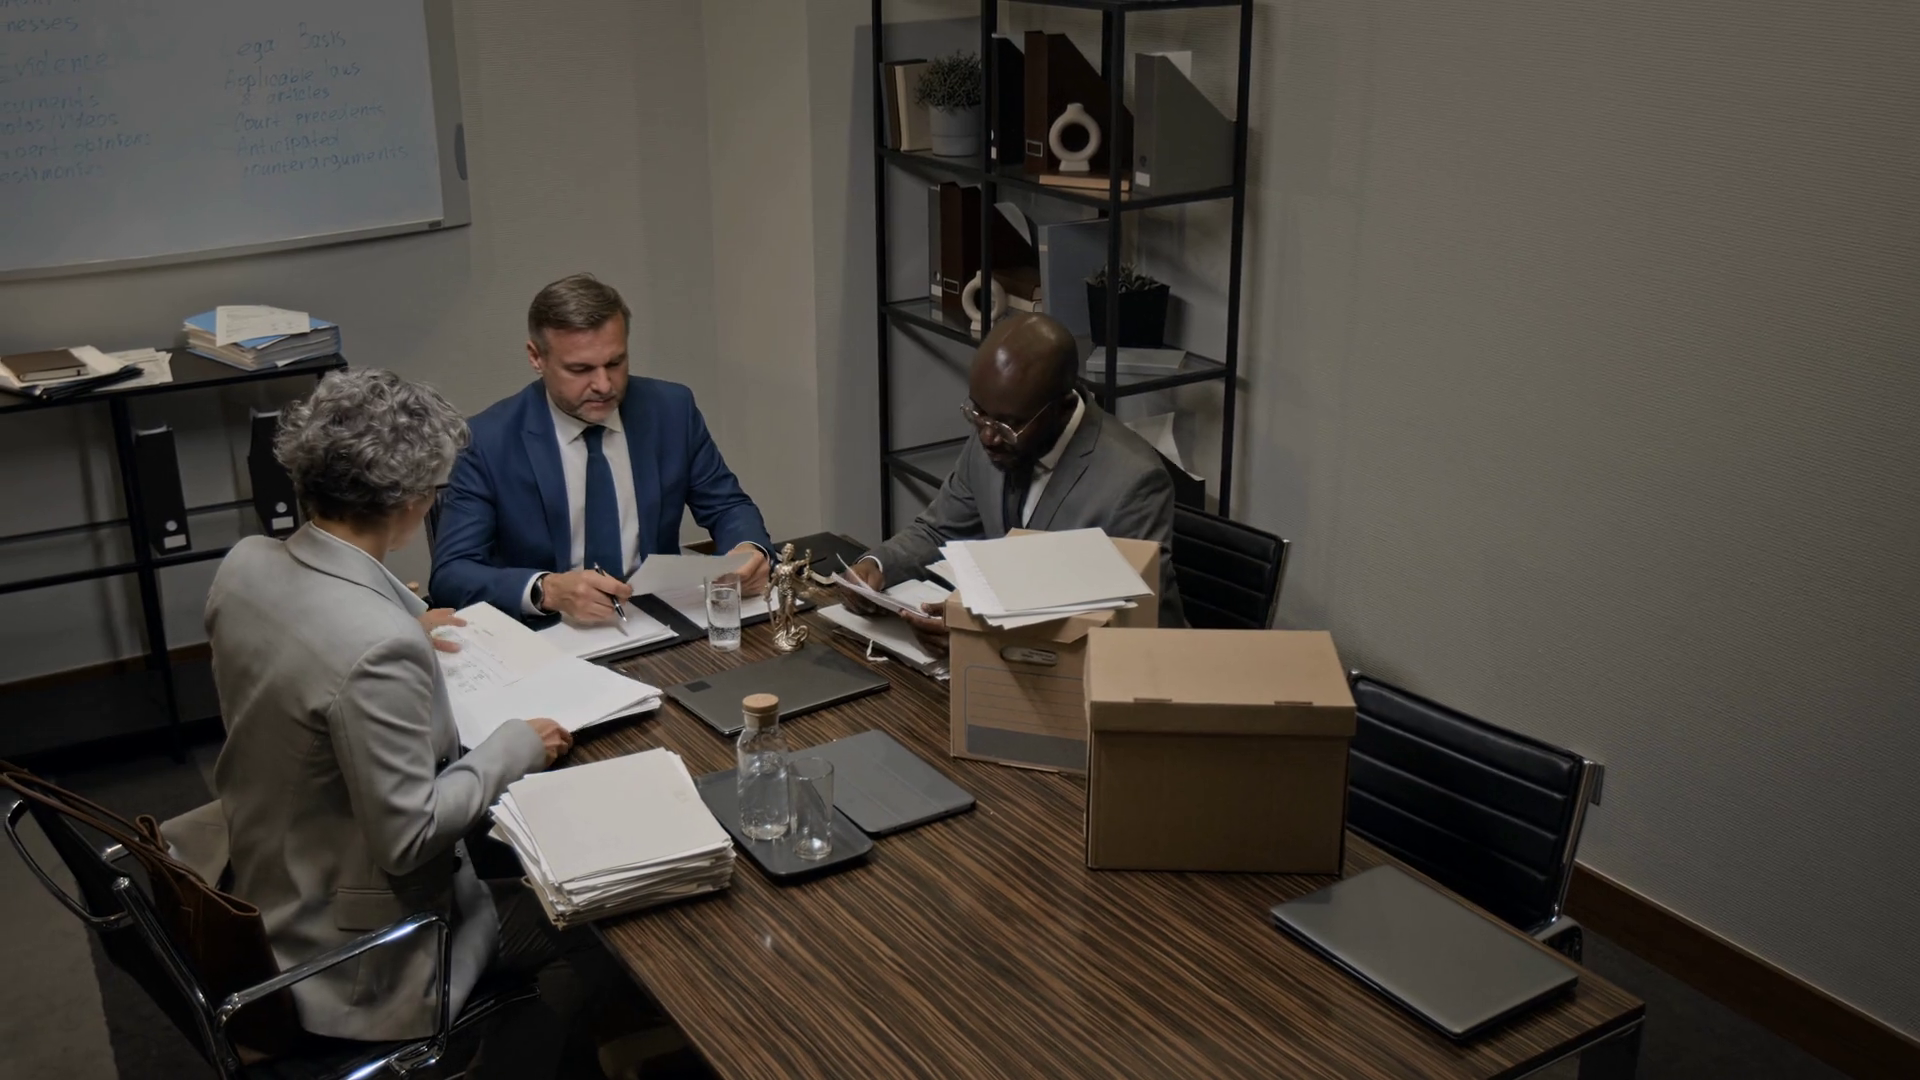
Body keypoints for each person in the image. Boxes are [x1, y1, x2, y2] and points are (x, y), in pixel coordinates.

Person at [202, 369, 661, 1077]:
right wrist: (516, 744)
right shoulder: (375, 645)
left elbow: (315, 653)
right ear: (413, 501)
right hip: (361, 952)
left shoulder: (246, 565)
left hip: (267, 883)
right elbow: (409, 836)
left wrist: (401, 622)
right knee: (599, 922)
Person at [430, 273, 773, 623]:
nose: (604, 385)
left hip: (658, 616)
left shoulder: (671, 410)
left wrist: (749, 549)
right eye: (580, 369)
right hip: (553, 629)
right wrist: (546, 590)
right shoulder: (489, 440)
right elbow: (452, 575)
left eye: (615, 363)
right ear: (536, 357)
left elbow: (728, 506)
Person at [843, 312, 1185, 651]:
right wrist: (877, 565)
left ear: (1063, 407)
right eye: (978, 413)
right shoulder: (996, 430)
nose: (988, 437)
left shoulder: (1133, 482)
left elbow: (1128, 626)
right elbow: (940, 530)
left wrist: (985, 640)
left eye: (1008, 425)